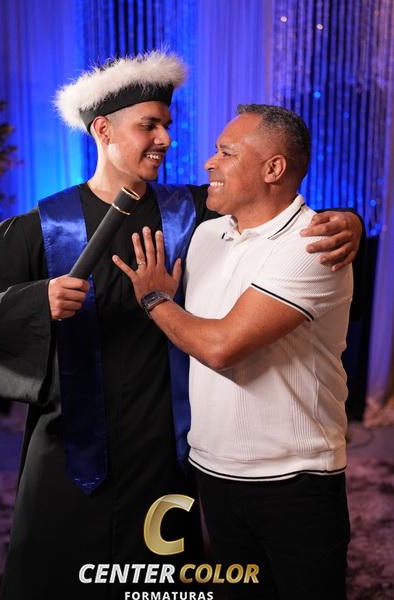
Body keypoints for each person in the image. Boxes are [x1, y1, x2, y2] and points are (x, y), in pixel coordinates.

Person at [0, 50, 360, 599]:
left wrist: (346, 221)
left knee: (160, 579)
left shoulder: (194, 212)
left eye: (167, 124)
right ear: (103, 130)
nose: (166, 139)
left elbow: (274, 211)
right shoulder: (45, 225)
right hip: (74, 443)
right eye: (149, 125)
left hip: (165, 445)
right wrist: (35, 299)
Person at [114, 104, 354, 600]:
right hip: (214, 470)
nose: (209, 162)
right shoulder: (207, 233)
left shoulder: (313, 244)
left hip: (295, 479)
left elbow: (221, 347)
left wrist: (155, 300)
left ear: (273, 168)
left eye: (226, 152)